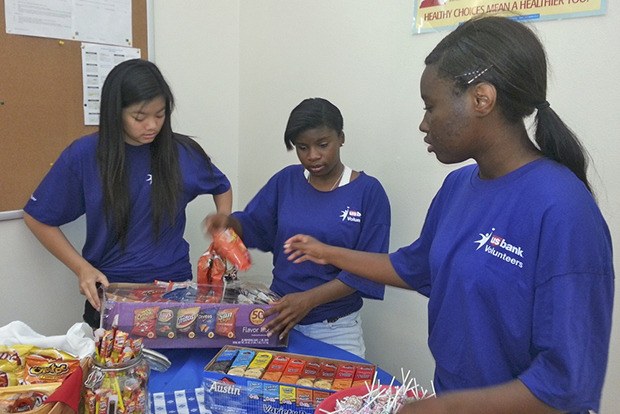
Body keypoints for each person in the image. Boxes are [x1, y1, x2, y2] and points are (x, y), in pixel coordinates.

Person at [284, 16, 614, 414]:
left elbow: (566, 384)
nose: (424, 123)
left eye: (431, 106)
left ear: (481, 99)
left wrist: (442, 409)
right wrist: (328, 252)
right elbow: (416, 267)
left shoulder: (563, 209)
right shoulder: (458, 187)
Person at [23, 59, 232, 329]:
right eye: (139, 117)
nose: (152, 126)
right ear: (116, 112)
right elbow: (37, 218)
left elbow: (221, 186)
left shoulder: (182, 152)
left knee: (177, 368)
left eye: (160, 114)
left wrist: (222, 224)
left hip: (174, 291)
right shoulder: (85, 155)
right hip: (111, 291)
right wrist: (81, 268)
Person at [207, 98, 391, 358]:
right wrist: (229, 224)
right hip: (280, 320)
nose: (313, 155)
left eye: (322, 145)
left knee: (339, 397)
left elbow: (369, 269)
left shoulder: (368, 192)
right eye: (302, 147)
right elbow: (255, 224)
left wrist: (308, 300)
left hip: (336, 328)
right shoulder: (287, 181)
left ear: (341, 138)